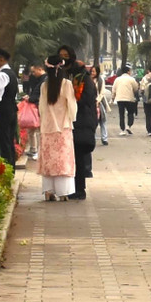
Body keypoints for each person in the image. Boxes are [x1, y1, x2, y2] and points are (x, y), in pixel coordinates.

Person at [37, 56, 77, 201]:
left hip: (47, 127)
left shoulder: (44, 86)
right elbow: (72, 106)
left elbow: (42, 107)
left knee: (49, 160)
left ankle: (48, 191)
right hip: (63, 127)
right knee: (63, 160)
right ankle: (63, 192)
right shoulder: (67, 84)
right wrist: (72, 119)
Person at [60, 46, 97, 200]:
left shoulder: (82, 80)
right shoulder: (66, 76)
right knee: (72, 157)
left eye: (66, 56)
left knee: (79, 157)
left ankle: (79, 189)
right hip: (71, 122)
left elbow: (85, 100)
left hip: (81, 122)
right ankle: (72, 188)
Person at [19, 64, 45, 159]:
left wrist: (31, 98)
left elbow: (38, 94)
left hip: (39, 108)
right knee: (32, 130)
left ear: (40, 68)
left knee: (37, 130)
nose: (33, 74)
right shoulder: (41, 79)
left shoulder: (44, 80)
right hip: (38, 107)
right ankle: (34, 149)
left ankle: (36, 150)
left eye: (34, 71)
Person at [111, 65, 140, 135]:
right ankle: (128, 126)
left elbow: (113, 90)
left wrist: (112, 98)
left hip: (120, 99)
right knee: (130, 113)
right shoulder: (131, 79)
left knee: (121, 114)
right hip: (129, 98)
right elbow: (136, 88)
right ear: (128, 72)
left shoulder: (117, 79)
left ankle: (122, 130)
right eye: (130, 71)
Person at [89, 65, 110, 146]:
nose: (92, 73)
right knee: (93, 122)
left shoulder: (100, 80)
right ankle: (92, 138)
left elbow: (102, 92)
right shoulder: (88, 80)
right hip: (90, 103)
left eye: (94, 71)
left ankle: (104, 138)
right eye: (91, 71)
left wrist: (97, 101)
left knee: (103, 121)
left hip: (99, 103)